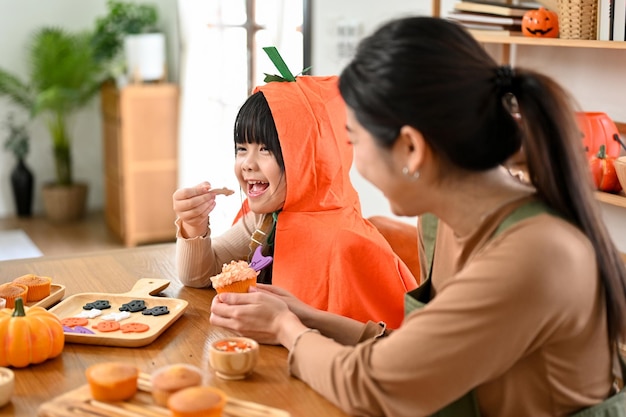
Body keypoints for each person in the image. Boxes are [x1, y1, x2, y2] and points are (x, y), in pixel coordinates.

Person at [209, 16, 626, 417]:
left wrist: (287, 330)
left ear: (411, 148)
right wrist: (305, 316)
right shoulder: (445, 221)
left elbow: (376, 386)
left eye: (354, 139)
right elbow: (416, 350)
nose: (352, 161)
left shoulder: (535, 253)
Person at [172, 74, 417, 328]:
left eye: (266, 149)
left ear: (307, 158)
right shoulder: (268, 219)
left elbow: (380, 348)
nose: (247, 163)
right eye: (242, 148)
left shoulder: (349, 245)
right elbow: (200, 276)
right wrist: (194, 224)